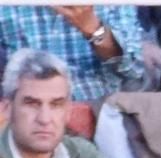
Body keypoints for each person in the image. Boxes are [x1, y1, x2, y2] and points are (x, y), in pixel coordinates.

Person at [0, 48, 142, 158]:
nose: (45, 119)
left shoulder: (80, 151)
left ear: (68, 111)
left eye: (56, 104)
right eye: (32, 104)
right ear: (7, 108)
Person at [0, 4, 143, 102]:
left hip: (97, 110)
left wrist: (93, 28)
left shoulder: (111, 4)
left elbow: (133, 69)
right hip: (25, 111)